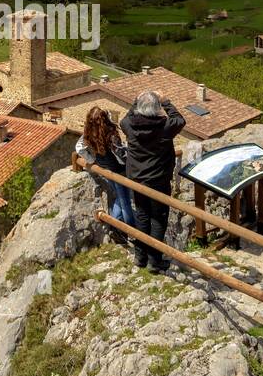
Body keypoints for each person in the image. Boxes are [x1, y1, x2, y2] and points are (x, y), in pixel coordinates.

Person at [120, 90, 185, 272]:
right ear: (157, 109)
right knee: (158, 218)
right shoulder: (164, 126)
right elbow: (180, 120)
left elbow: (125, 117)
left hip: (137, 180)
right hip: (158, 180)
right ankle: (154, 261)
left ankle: (140, 257)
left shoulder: (130, 125)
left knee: (142, 215)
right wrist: (166, 101)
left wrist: (136, 99)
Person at [75, 107, 135, 228]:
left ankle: (115, 226)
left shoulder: (88, 132)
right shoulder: (110, 133)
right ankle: (130, 230)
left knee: (120, 198)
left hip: (104, 168)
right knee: (125, 201)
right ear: (104, 118)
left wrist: (92, 160)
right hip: (118, 170)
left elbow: (79, 148)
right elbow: (120, 154)